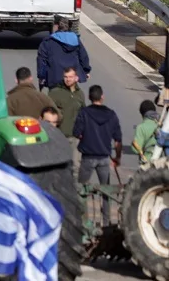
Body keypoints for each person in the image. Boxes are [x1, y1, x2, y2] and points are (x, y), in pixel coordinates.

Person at [73, 85, 122, 225]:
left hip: (87, 157)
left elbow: (77, 132)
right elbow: (118, 139)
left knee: (82, 190)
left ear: (89, 97)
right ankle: (106, 221)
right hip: (104, 158)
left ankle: (83, 221)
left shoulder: (84, 113)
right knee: (106, 191)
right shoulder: (111, 115)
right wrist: (117, 158)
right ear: (102, 97)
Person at [37, 19, 91, 89]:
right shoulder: (76, 40)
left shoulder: (48, 41)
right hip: (72, 77)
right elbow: (83, 57)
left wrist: (41, 77)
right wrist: (86, 71)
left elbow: (42, 60)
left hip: (54, 77)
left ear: (56, 27)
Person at [48, 66, 85, 162]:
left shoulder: (80, 94)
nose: (68, 79)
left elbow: (83, 114)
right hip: (59, 135)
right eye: (65, 77)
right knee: (58, 163)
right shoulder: (55, 93)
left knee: (76, 165)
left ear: (76, 78)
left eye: (70, 77)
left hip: (75, 137)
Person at [132, 100, 160, 165]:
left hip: (148, 163)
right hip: (164, 164)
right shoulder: (163, 124)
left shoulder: (141, 127)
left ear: (142, 114)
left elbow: (135, 149)